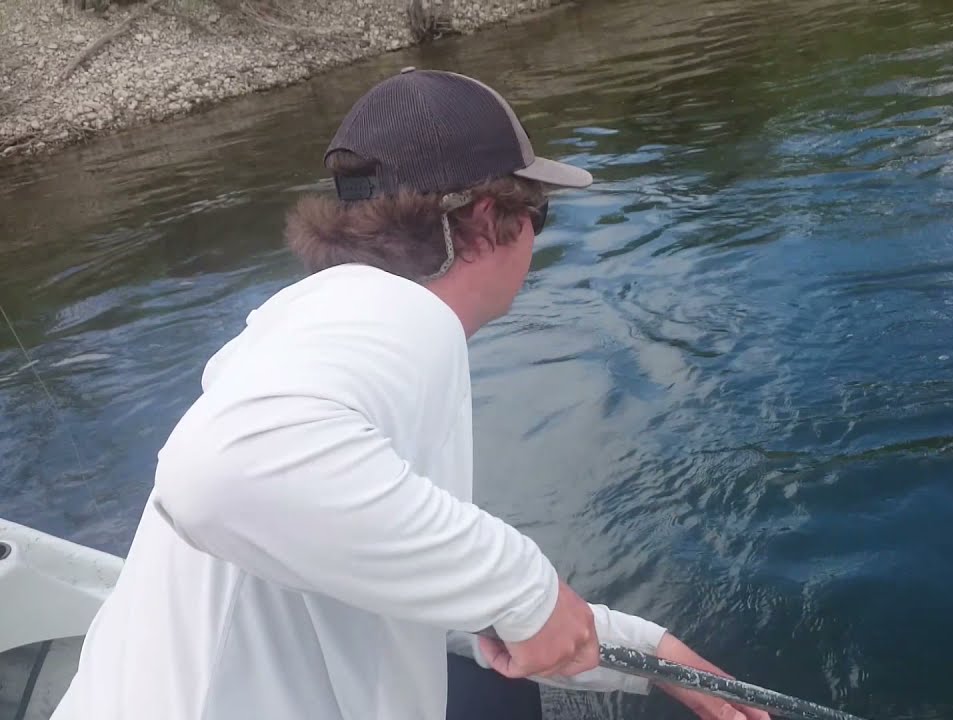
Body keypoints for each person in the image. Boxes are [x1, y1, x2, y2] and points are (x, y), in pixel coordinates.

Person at [51, 68, 770, 720]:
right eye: (537, 216)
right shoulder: (401, 318)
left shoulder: (313, 322)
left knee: (492, 695)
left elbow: (412, 560)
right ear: (490, 220)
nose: (535, 242)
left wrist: (653, 655)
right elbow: (219, 473)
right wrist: (523, 586)